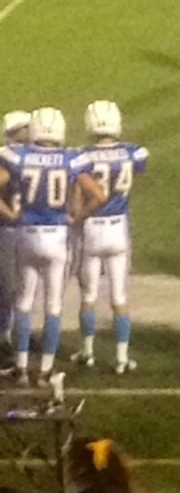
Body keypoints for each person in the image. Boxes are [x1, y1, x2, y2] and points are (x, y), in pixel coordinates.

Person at [0, 108, 106, 388]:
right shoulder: (71, 159)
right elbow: (98, 194)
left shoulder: (19, 156)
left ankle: (21, 367)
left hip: (28, 234)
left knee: (23, 303)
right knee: (53, 305)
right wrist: (77, 217)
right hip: (58, 237)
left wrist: (11, 214)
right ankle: (46, 370)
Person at [69, 101, 149, 375]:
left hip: (92, 227)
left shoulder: (81, 156)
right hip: (118, 228)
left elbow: (78, 192)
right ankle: (121, 357)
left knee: (89, 295)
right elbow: (139, 167)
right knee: (119, 297)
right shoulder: (133, 152)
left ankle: (88, 351)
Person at [0, 111, 31, 371]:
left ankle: (12, 334)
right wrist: (9, 213)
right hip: (8, 229)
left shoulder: (32, 157)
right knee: (9, 286)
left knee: (22, 287)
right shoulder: (7, 157)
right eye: (25, 129)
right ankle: (4, 335)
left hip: (27, 230)